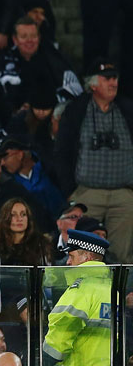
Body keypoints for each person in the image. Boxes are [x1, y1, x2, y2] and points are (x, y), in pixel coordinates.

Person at [55, 60, 133, 264]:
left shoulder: (127, 109)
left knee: (123, 257)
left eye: (115, 78)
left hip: (123, 194)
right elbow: (62, 152)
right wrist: (71, 192)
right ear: (93, 84)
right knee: (82, 253)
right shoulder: (76, 110)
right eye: (107, 78)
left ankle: (121, 294)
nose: (113, 83)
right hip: (87, 193)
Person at [42, 230, 112, 366]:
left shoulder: (83, 288)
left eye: (71, 256)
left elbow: (61, 332)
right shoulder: (111, 288)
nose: (68, 263)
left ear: (87, 257)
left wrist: (39, 363)